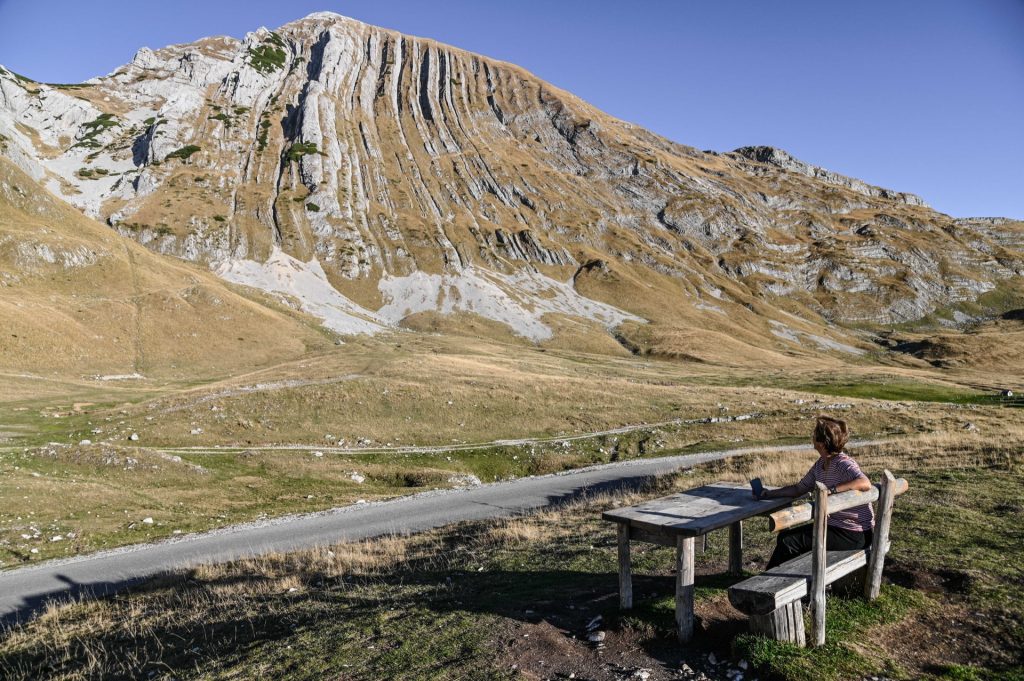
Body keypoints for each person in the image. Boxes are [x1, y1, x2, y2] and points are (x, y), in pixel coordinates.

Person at [755, 416, 874, 569]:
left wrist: (831, 491)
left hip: (853, 533)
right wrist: (769, 493)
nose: (812, 438)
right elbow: (799, 488)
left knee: (788, 541)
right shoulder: (820, 465)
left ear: (822, 443)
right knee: (786, 537)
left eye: (814, 435)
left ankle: (767, 584)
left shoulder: (843, 463)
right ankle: (781, 579)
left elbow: (864, 482)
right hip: (836, 527)